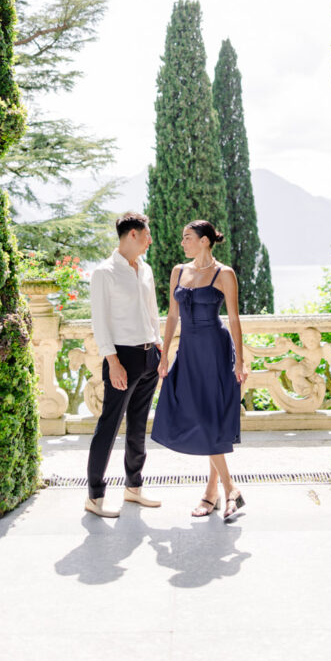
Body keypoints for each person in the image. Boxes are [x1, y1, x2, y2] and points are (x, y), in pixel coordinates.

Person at [151, 220, 248, 520]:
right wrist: (165, 353)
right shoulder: (179, 271)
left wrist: (241, 361)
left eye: (188, 237)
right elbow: (171, 315)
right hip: (188, 352)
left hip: (215, 351)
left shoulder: (224, 274)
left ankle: (215, 493)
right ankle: (227, 490)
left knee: (210, 419)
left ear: (205, 241)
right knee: (197, 415)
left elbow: (233, 320)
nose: (183, 242)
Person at [85, 212, 162, 518]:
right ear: (132, 234)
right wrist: (113, 361)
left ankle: (134, 488)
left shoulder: (145, 270)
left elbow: (152, 312)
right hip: (122, 358)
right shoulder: (105, 273)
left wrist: (159, 348)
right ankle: (94, 496)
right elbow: (100, 321)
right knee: (109, 425)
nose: (150, 240)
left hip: (148, 357)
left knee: (139, 426)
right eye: (147, 235)